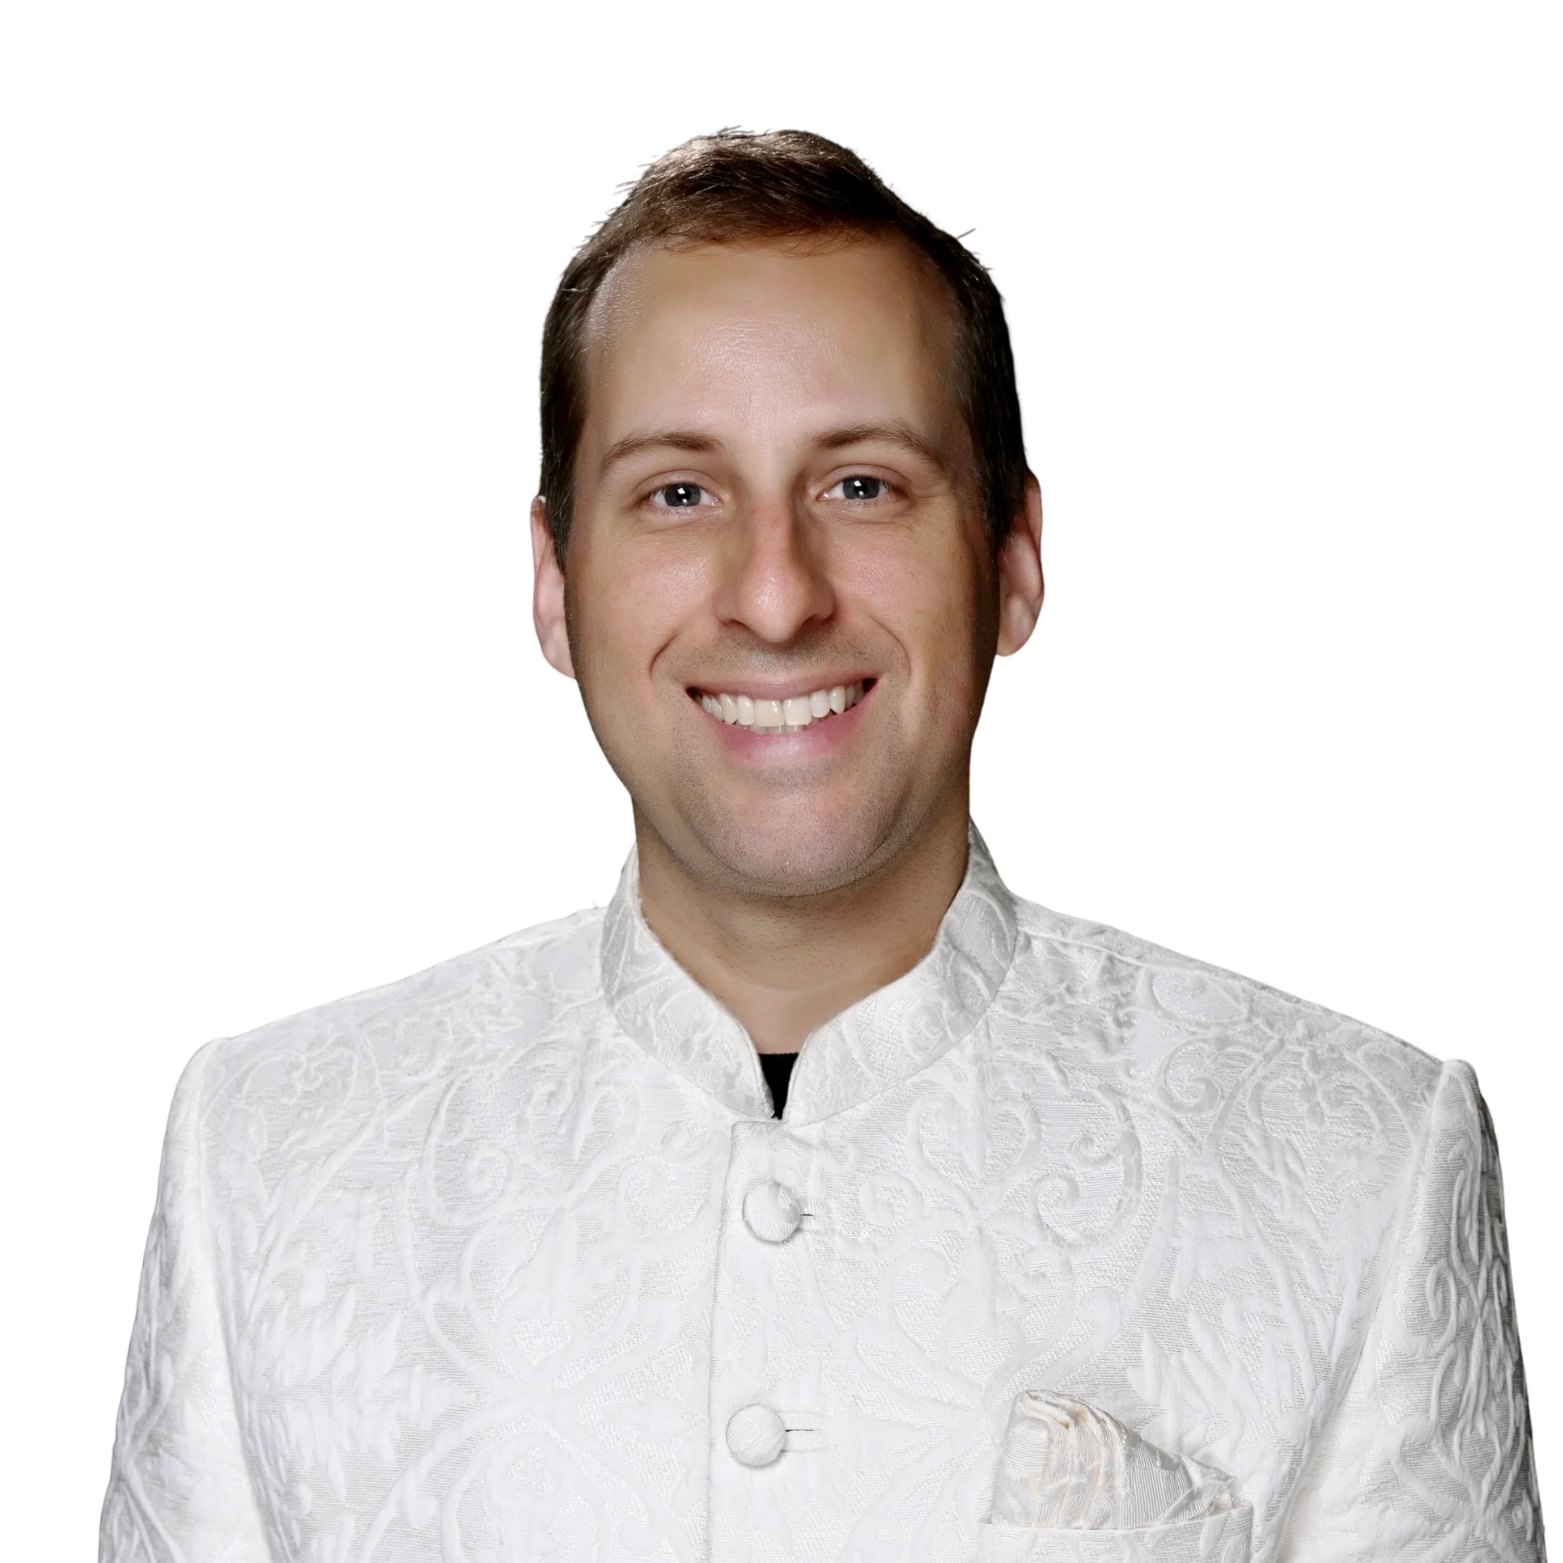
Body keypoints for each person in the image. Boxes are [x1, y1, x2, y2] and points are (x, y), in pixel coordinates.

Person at [101, 127, 1544, 1562]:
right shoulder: (271, 1146)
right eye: (679, 490)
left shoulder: (1358, 1150)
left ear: (1010, 572)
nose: (776, 594)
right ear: (551, 592)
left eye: (860, 484)